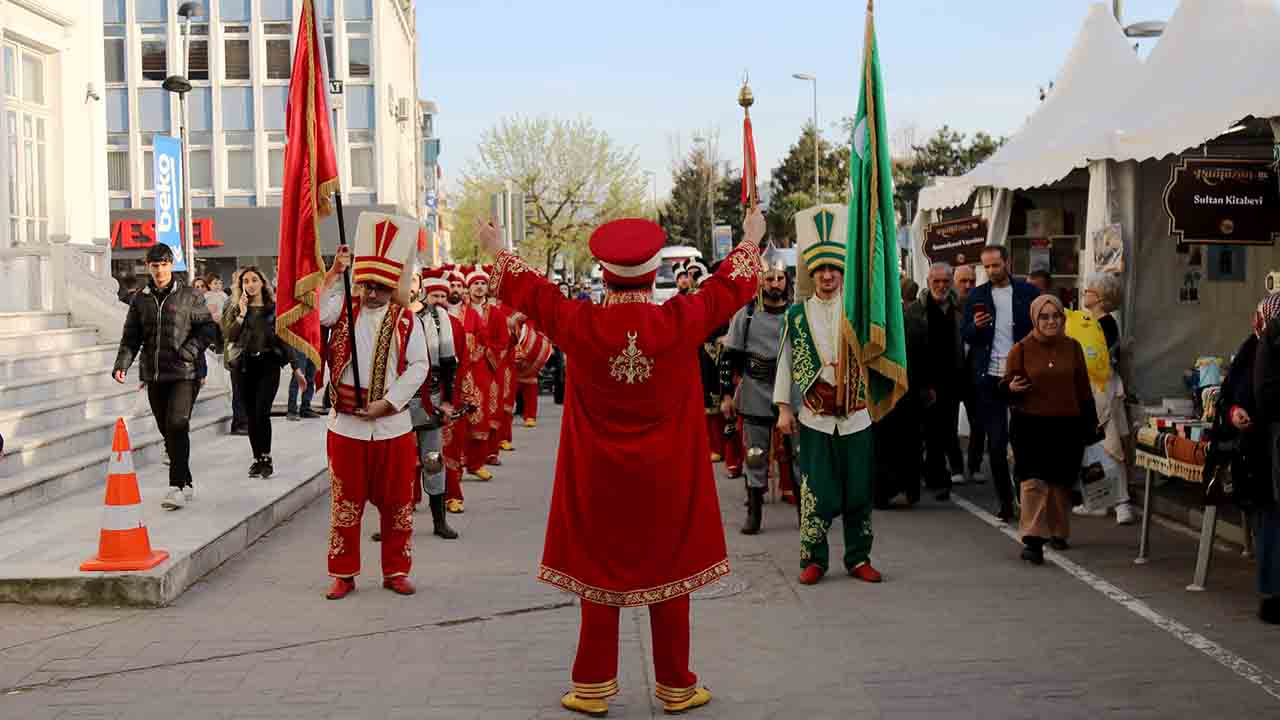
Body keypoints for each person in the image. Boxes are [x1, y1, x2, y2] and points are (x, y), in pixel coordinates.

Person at [478, 208, 764, 717]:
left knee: (599, 571)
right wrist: (751, 240)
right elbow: (728, 290)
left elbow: (534, 295)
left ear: (604, 273)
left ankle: (592, 687)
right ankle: (676, 685)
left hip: (600, 477)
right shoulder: (679, 319)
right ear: (654, 273)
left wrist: (499, 249)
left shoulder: (581, 322)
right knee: (669, 568)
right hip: (667, 477)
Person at [319, 214, 428, 600]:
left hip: (391, 428)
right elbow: (314, 312)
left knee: (398, 504)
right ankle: (343, 574)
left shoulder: (405, 321)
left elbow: (419, 365)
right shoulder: (343, 310)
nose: (373, 293)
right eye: (368, 285)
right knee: (345, 505)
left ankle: (396, 570)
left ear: (392, 286)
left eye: (382, 287)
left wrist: (388, 403)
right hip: (346, 426)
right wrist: (335, 273)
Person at [775, 227, 883, 586]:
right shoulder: (795, 315)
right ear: (811, 273)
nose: (827, 275)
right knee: (815, 491)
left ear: (842, 272)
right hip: (815, 417)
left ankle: (858, 557)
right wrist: (783, 409)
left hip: (857, 416)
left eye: (833, 269)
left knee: (859, 490)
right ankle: (814, 559)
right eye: (820, 269)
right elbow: (785, 363)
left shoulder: (860, 312)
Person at [113, 244, 219, 510]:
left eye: (163, 264)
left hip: (185, 372)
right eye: (154, 265)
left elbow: (208, 329)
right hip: (154, 374)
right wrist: (122, 364)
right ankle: (187, 479)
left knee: (177, 424)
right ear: (148, 266)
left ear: (171, 265)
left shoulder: (190, 295)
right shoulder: (141, 298)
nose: (159, 270)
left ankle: (177, 487)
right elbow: (131, 335)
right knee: (166, 429)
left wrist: (189, 351)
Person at [1002, 294, 1099, 565]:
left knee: (1060, 483)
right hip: (1030, 424)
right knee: (1033, 481)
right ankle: (1033, 540)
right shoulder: (1021, 349)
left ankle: (1058, 531)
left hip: (1066, 425)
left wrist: (1090, 424)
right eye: (1044, 317)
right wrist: (1010, 388)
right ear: (1035, 319)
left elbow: (1083, 388)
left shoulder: (1073, 348)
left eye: (1055, 316)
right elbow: (1005, 385)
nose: (1050, 321)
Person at [962, 245, 1040, 522]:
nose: (992, 271)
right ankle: (1006, 502)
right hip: (989, 378)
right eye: (987, 267)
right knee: (995, 445)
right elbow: (966, 335)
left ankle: (1026, 497)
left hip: (1021, 375)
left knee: (1024, 444)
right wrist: (977, 326)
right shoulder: (977, 296)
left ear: (1007, 262)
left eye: (996, 265)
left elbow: (1041, 330)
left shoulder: (1028, 293)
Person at [720, 253, 790, 534]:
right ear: (760, 280)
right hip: (755, 391)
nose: (775, 283)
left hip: (790, 393)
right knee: (755, 453)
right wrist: (726, 395)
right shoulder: (745, 315)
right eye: (769, 277)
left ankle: (806, 512)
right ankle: (755, 511)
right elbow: (728, 357)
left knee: (796, 453)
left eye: (780, 278)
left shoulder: (796, 313)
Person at [1225, 294, 1280, 623]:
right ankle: (1273, 592)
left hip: (1269, 444)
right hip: (1262, 448)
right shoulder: (1252, 348)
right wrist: (1234, 412)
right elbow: (1231, 393)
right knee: (1271, 518)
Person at [222, 266, 305, 478]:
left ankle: (266, 457)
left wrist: (296, 368)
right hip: (243, 367)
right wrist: (241, 314)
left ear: (262, 283)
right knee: (251, 415)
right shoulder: (235, 309)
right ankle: (257, 458)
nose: (250, 284)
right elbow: (230, 336)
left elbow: (284, 340)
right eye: (245, 281)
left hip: (268, 365)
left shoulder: (273, 309)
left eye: (253, 280)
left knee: (261, 412)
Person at [1074, 271, 1136, 524]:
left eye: (1088, 289)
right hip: (1090, 389)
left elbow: (1099, 358)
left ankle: (1122, 503)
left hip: (1102, 389)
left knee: (1110, 446)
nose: (1084, 293)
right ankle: (1098, 500)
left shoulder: (1106, 323)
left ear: (1099, 297)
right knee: (1092, 447)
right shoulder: (1090, 321)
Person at [906, 263, 965, 501]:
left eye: (945, 281)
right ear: (929, 282)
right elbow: (911, 349)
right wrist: (919, 384)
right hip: (925, 382)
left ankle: (936, 475)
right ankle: (936, 478)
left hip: (952, 380)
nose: (941, 286)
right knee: (930, 431)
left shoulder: (960, 308)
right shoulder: (915, 311)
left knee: (945, 430)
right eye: (936, 281)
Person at [411, 267, 460, 540]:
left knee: (432, 460)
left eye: (413, 279)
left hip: (430, 400)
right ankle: (392, 521)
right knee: (396, 464)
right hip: (394, 405)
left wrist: (449, 401)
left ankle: (439, 520)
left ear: (420, 285)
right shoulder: (388, 316)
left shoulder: (438, 316)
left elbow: (448, 363)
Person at [874, 276, 922, 508]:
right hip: (881, 392)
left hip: (906, 392)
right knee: (883, 444)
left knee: (906, 442)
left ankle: (907, 488)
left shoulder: (913, 322)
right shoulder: (872, 323)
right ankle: (883, 491)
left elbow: (922, 355)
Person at [951, 264, 984, 485]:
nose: (968, 285)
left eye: (971, 280)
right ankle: (955, 467)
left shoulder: (982, 306)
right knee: (949, 423)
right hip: (953, 373)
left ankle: (975, 465)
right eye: (963, 281)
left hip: (975, 374)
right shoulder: (946, 307)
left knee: (979, 421)